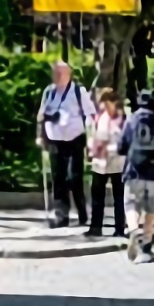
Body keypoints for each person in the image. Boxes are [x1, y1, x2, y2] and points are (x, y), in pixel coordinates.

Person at [36, 61, 96, 229]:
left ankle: (82, 210)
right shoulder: (48, 92)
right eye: (55, 73)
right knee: (58, 178)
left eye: (60, 73)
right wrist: (40, 135)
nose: (57, 77)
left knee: (74, 177)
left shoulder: (78, 91)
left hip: (75, 139)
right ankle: (61, 216)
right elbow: (41, 115)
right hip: (55, 140)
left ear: (68, 74)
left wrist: (91, 137)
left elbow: (90, 114)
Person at [119, 89, 154, 264]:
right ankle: (147, 244)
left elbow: (121, 146)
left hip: (134, 170)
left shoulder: (131, 120)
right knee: (151, 209)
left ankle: (134, 230)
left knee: (131, 204)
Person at [85, 88, 126, 238]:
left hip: (117, 161)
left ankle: (120, 228)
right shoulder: (99, 118)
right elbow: (95, 137)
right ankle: (96, 227)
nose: (105, 106)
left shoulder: (121, 119)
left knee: (119, 197)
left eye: (108, 102)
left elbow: (123, 140)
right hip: (100, 162)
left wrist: (109, 148)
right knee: (97, 196)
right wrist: (92, 148)